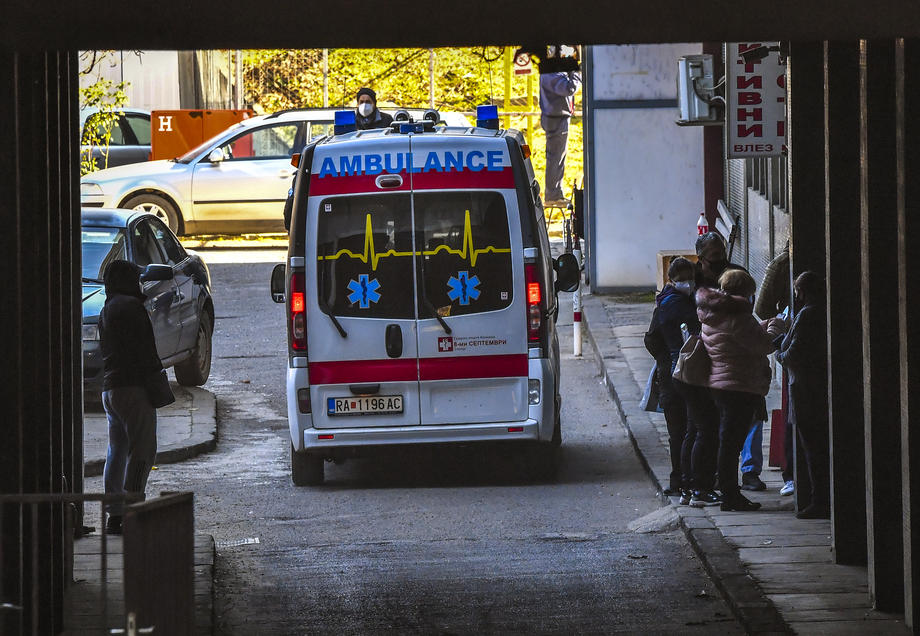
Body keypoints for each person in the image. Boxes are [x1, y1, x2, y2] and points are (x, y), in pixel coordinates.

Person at [696, 269, 783, 511]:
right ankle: (731, 495)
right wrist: (776, 328)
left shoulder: (713, 312)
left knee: (727, 441)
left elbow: (740, 337)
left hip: (720, 383)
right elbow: (763, 344)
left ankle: (728, 492)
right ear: (746, 291)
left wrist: (762, 325)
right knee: (731, 444)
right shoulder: (738, 316)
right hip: (739, 385)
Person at [694, 231, 768, 492]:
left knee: (735, 432)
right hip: (733, 376)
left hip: (726, 374)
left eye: (721, 254)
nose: (719, 260)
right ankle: (726, 486)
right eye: (714, 256)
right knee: (726, 435)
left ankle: (740, 476)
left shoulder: (732, 280)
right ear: (701, 257)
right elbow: (760, 342)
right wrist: (770, 331)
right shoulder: (704, 288)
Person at [99, 260, 163, 535]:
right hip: (133, 389)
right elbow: (146, 350)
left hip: (111, 389)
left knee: (117, 451)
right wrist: (156, 383)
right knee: (143, 451)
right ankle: (134, 510)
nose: (140, 283)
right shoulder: (130, 307)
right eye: (135, 278)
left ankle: (114, 516)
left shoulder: (109, 307)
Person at [776, 271, 830, 519]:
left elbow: (793, 353)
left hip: (806, 390)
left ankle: (820, 500)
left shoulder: (808, 314)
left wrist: (779, 354)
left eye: (797, 290)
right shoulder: (815, 311)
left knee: (813, 449)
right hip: (811, 389)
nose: (795, 295)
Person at [651, 257, 698, 497]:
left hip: (668, 373)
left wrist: (663, 360)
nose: (688, 284)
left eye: (689, 280)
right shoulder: (684, 305)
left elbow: (651, 339)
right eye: (684, 280)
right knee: (690, 428)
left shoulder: (662, 303)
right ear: (673, 280)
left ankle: (678, 478)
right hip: (683, 373)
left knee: (676, 432)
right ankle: (689, 478)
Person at [539, 69, 581, 204]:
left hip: (556, 117)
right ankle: (553, 195)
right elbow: (569, 88)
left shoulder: (552, 72)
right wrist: (576, 73)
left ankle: (555, 193)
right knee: (556, 158)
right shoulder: (552, 73)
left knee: (557, 157)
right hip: (556, 118)